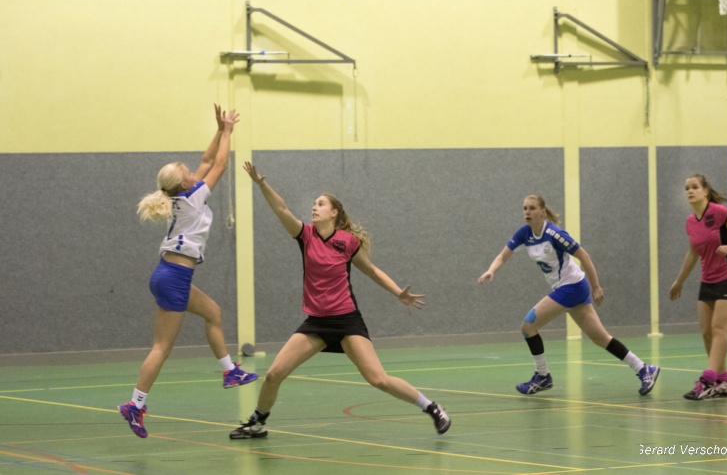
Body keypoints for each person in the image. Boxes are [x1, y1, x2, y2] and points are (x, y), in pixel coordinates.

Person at [229, 161, 451, 439]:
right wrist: (261, 183)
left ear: (333, 212)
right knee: (274, 374)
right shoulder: (305, 236)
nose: (314, 207)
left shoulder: (347, 242)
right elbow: (281, 209)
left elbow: (371, 270)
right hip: (316, 323)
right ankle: (257, 423)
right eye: (313, 203)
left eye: (320, 204)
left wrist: (398, 293)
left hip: (346, 321)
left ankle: (432, 407)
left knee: (378, 379)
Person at [118, 105, 258, 438]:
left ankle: (230, 371)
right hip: (174, 278)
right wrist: (228, 132)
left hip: (169, 274)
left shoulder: (184, 195)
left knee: (213, 313)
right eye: (188, 170)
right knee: (161, 348)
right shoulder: (194, 198)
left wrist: (218, 130)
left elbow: (207, 162)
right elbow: (220, 163)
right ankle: (135, 404)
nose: (195, 169)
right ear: (184, 181)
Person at [478, 195, 660, 397]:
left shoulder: (555, 234)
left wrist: (596, 286)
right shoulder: (524, 233)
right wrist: (491, 270)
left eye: (531, 208)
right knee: (600, 338)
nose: (527, 212)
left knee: (528, 326)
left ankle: (542, 376)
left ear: (542, 212)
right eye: (524, 208)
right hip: (569, 288)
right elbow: (503, 255)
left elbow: (584, 256)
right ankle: (644, 369)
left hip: (571, 287)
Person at [669, 174, 727, 401]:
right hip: (708, 280)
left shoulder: (719, 212)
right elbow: (693, 253)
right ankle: (723, 382)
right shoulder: (690, 222)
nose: (690, 191)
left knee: (718, 328)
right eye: (687, 188)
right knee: (706, 332)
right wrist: (680, 281)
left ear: (705, 191)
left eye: (695, 187)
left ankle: (707, 380)